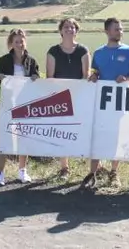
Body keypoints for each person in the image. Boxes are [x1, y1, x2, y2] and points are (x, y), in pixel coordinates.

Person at [84, 17, 129, 188]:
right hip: (102, 103)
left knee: (117, 137)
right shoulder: (99, 53)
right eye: (116, 29)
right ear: (107, 31)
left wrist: (127, 78)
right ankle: (93, 173)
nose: (120, 32)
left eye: (121, 29)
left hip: (122, 102)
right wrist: (94, 76)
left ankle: (114, 172)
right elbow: (95, 73)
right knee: (98, 136)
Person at [0, 28, 41, 186]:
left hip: (26, 105)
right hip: (9, 104)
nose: (20, 44)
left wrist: (35, 77)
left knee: (23, 138)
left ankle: (22, 171)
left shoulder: (31, 61)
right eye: (16, 42)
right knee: (5, 138)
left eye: (22, 41)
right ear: (11, 44)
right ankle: (0, 173)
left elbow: (37, 77)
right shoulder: (4, 60)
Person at [46, 17, 90, 178]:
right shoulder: (53, 52)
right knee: (63, 132)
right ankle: (65, 168)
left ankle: (92, 169)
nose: (69, 29)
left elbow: (86, 76)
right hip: (60, 99)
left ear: (76, 30)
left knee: (84, 131)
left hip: (79, 97)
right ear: (60, 30)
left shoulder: (83, 51)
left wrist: (78, 92)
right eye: (66, 27)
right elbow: (50, 77)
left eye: (72, 27)